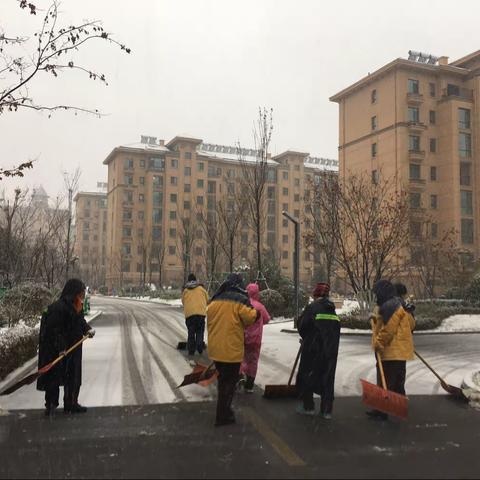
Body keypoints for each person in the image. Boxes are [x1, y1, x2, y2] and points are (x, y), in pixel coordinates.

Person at [37, 279, 95, 417]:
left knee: (73, 376)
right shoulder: (57, 308)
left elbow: (80, 322)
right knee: (54, 377)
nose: (82, 296)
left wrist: (87, 330)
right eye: (81, 293)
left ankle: (71, 403)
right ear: (73, 293)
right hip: (57, 350)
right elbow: (54, 330)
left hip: (74, 348)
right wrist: (61, 347)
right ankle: (51, 404)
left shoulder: (77, 307)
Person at [207, 273, 258, 427]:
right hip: (231, 349)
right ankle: (223, 415)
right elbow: (250, 317)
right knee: (229, 383)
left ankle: (224, 412)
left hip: (216, 348)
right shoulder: (239, 300)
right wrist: (257, 313)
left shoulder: (215, 299)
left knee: (223, 381)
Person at [367, 279, 415, 420]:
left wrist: (378, 343)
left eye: (377, 293)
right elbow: (411, 325)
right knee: (398, 383)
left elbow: (388, 330)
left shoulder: (390, 307)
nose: (376, 296)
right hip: (401, 351)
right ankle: (399, 408)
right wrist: (375, 317)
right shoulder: (399, 306)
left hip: (390, 351)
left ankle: (381, 411)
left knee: (385, 382)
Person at [296, 282, 340, 419]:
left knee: (307, 374)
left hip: (313, 348)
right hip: (330, 350)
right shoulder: (331, 308)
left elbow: (302, 325)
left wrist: (307, 338)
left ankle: (308, 406)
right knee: (327, 377)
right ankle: (327, 410)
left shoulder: (312, 307)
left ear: (315, 294)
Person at [239, 283, 271, 393]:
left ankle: (240, 376)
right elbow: (267, 319)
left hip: (242, 338)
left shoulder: (243, 305)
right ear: (257, 293)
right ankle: (249, 385)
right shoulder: (260, 306)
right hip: (255, 339)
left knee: (240, 358)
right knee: (253, 361)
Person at [181, 273, 209, 356]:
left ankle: (191, 350)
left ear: (188, 281)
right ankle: (199, 346)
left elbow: (183, 302)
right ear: (196, 280)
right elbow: (207, 299)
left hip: (189, 315)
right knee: (200, 331)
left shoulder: (186, 290)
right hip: (201, 314)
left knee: (191, 332)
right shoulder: (201, 288)